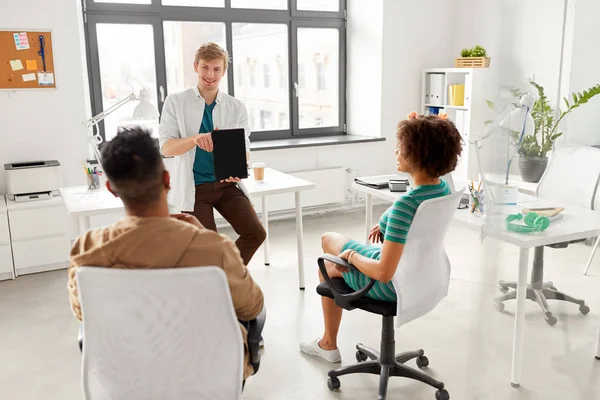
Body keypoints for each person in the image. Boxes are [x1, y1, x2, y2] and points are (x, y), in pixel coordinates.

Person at [67, 127, 264, 380]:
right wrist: (203, 235)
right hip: (208, 375)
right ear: (167, 180)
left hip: (129, 377)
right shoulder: (214, 248)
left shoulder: (86, 250)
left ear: (111, 188)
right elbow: (252, 307)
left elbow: (84, 313)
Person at [299, 112, 463, 363]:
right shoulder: (442, 188)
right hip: (426, 277)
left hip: (393, 285)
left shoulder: (404, 208)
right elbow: (414, 216)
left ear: (418, 156)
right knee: (331, 247)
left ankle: (328, 344)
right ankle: (328, 341)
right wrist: (387, 221)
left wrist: (351, 257)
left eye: (402, 147)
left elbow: (384, 273)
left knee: (328, 251)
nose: (396, 152)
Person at [159, 42, 266, 266]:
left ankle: (226, 277)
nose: (210, 75)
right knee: (210, 248)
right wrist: (194, 139)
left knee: (256, 233)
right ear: (195, 66)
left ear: (223, 71)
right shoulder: (176, 102)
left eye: (217, 69)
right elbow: (166, 148)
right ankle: (217, 283)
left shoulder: (236, 107)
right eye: (205, 67)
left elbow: (245, 149)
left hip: (226, 185)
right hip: (195, 188)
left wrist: (239, 166)